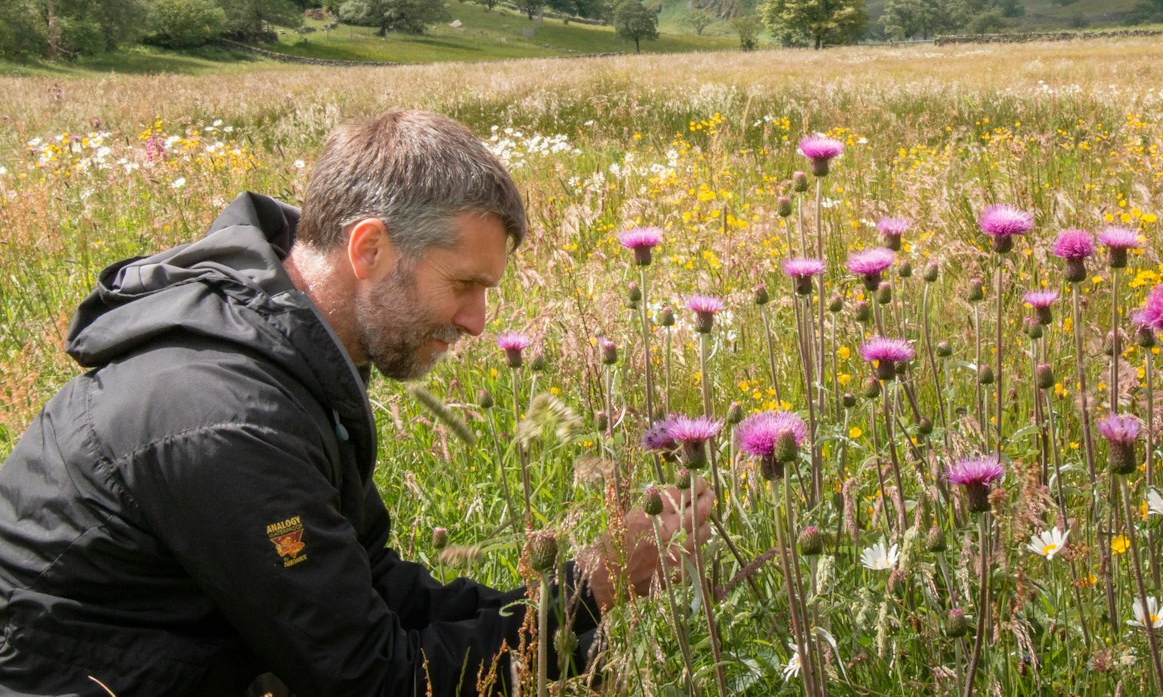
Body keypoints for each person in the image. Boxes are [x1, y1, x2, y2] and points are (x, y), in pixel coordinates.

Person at [0, 109, 709, 696]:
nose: (478, 322)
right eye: (464, 284)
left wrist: (571, 604)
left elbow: (370, 590)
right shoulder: (227, 419)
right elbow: (370, 679)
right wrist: (593, 588)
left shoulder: (279, 354)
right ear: (368, 248)